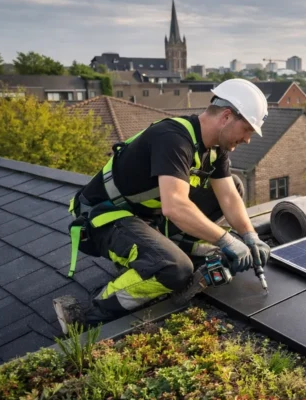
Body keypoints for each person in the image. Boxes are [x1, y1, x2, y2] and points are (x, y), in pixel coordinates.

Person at [53, 79, 271, 333]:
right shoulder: (173, 138)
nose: (247, 139)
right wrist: (227, 241)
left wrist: (249, 235)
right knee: (175, 269)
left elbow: (229, 197)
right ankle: (88, 315)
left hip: (146, 217)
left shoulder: (214, 149)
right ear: (226, 117)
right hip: (105, 218)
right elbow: (175, 206)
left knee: (234, 184)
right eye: (247, 129)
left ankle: (166, 249)